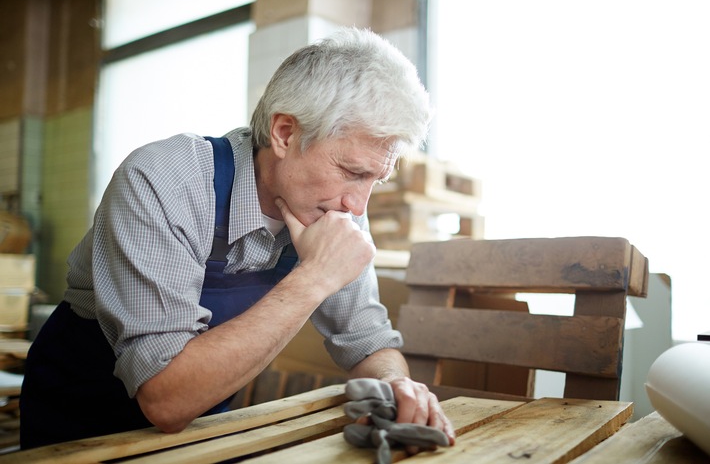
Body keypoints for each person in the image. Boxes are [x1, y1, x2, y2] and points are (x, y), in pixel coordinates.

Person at [20, 27, 455, 450]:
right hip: (79, 425)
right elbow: (166, 398)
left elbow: (367, 339)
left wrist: (395, 382)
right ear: (285, 133)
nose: (357, 206)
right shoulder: (164, 181)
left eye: (374, 181)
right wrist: (313, 278)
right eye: (352, 172)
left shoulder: (332, 207)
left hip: (199, 431)